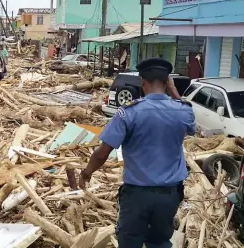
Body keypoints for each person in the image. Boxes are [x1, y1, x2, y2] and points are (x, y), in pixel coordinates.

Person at [78, 58, 196, 248]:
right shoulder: (183, 111)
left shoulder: (129, 113)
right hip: (169, 196)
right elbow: (191, 128)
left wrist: (87, 172)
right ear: (167, 82)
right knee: (160, 242)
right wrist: (175, 94)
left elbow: (103, 152)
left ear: (142, 82)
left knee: (129, 241)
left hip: (137, 196)